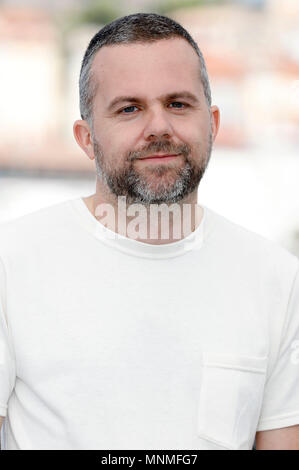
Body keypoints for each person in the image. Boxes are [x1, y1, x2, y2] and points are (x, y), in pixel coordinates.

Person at [0, 13, 298, 451]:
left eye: (178, 104)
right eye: (129, 108)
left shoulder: (277, 278)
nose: (158, 126)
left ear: (212, 124)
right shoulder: (11, 262)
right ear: (86, 138)